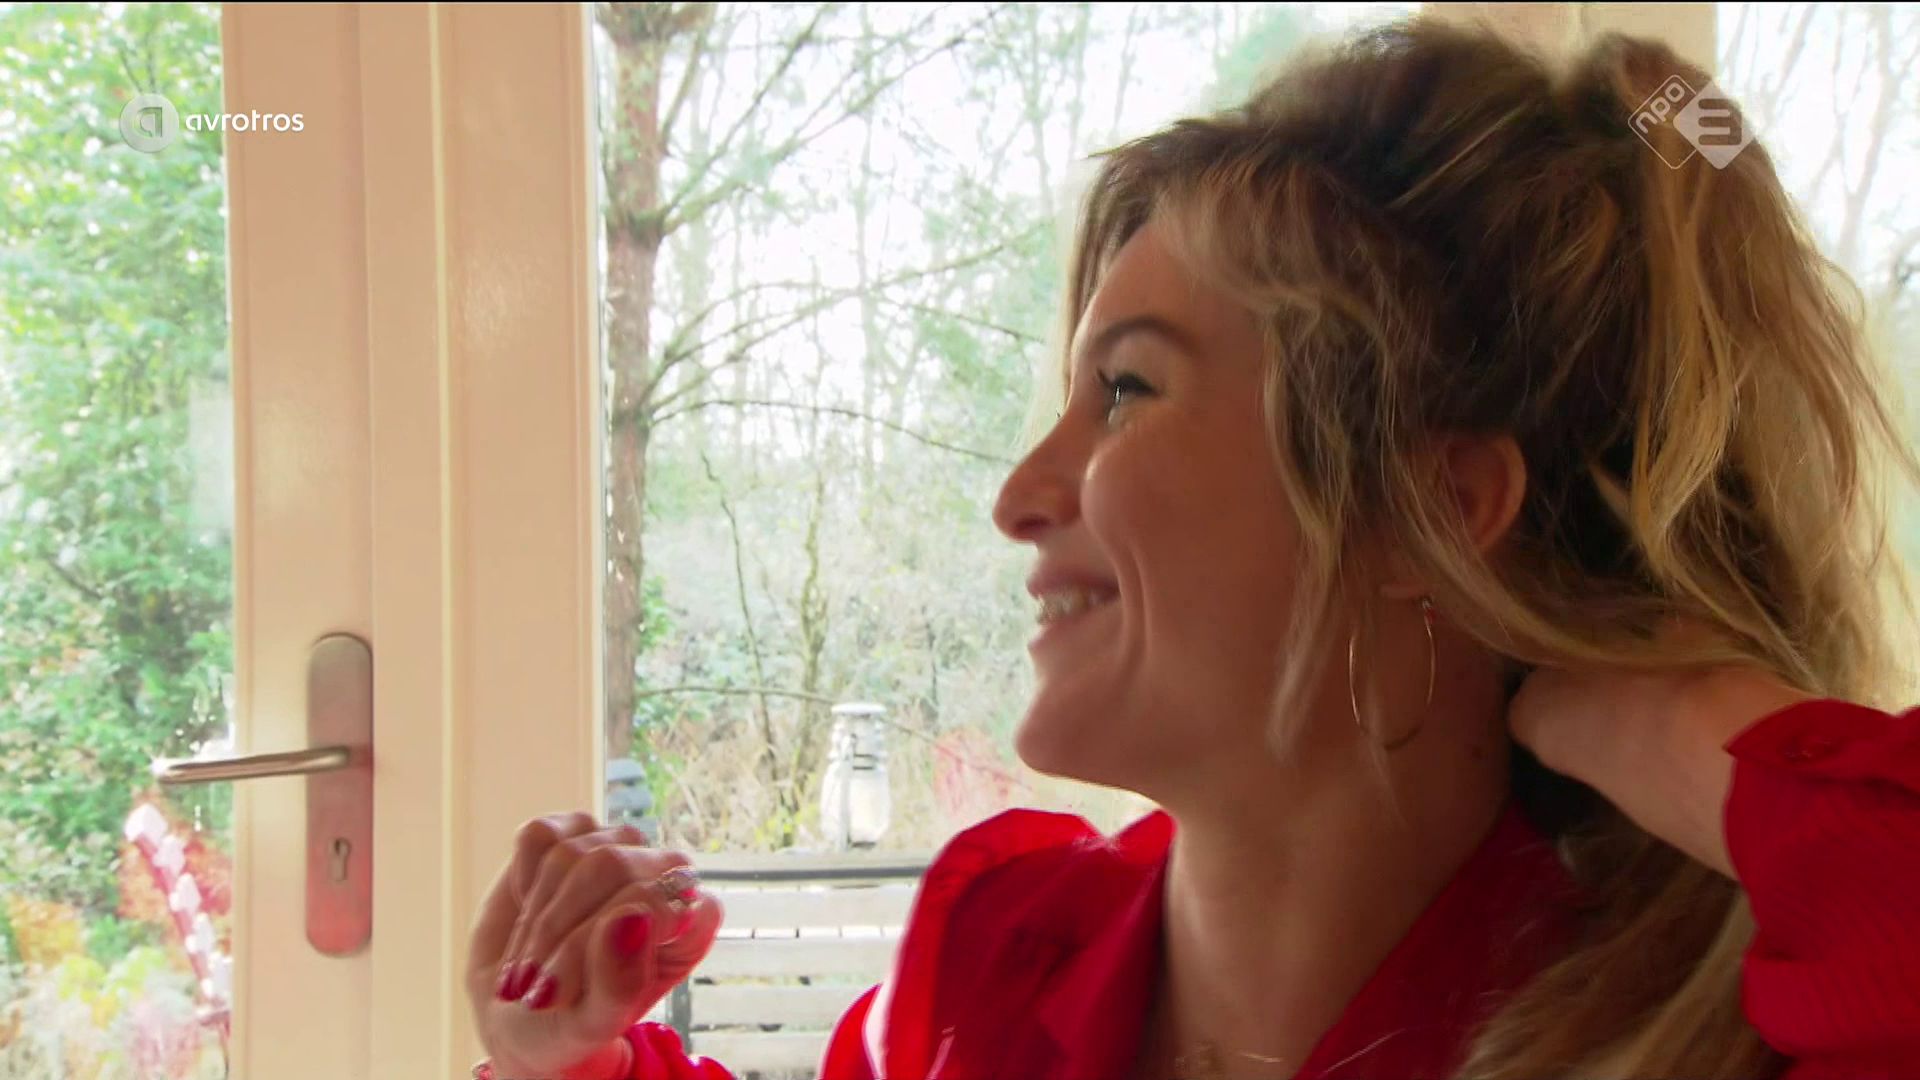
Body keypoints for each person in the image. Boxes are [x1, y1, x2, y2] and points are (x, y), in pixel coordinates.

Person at [464, 16, 1920, 1080]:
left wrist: (1686, 720)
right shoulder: (996, 964)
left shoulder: (1708, 1037)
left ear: (1428, 509)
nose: (1020, 495)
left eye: (1126, 392)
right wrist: (574, 1054)